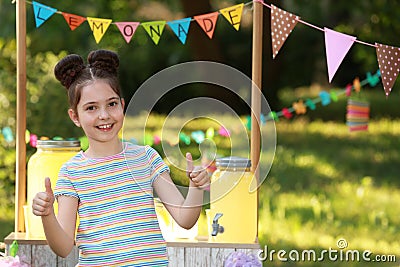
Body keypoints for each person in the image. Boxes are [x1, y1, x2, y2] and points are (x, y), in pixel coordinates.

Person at [32, 49, 210, 266]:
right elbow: (63, 246)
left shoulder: (146, 158)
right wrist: (48, 215)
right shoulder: (72, 172)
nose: (104, 115)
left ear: (122, 105)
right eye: (91, 108)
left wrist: (196, 188)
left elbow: (185, 219)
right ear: (75, 116)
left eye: (112, 104)